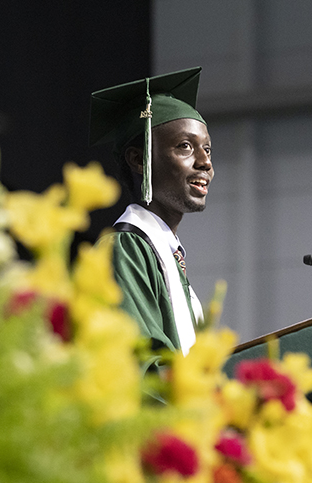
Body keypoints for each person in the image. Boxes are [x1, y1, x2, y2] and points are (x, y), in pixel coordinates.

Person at [88, 68, 212, 356]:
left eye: (207, 149)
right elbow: (140, 367)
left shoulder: (166, 255)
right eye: (185, 146)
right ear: (139, 159)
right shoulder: (125, 250)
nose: (205, 162)